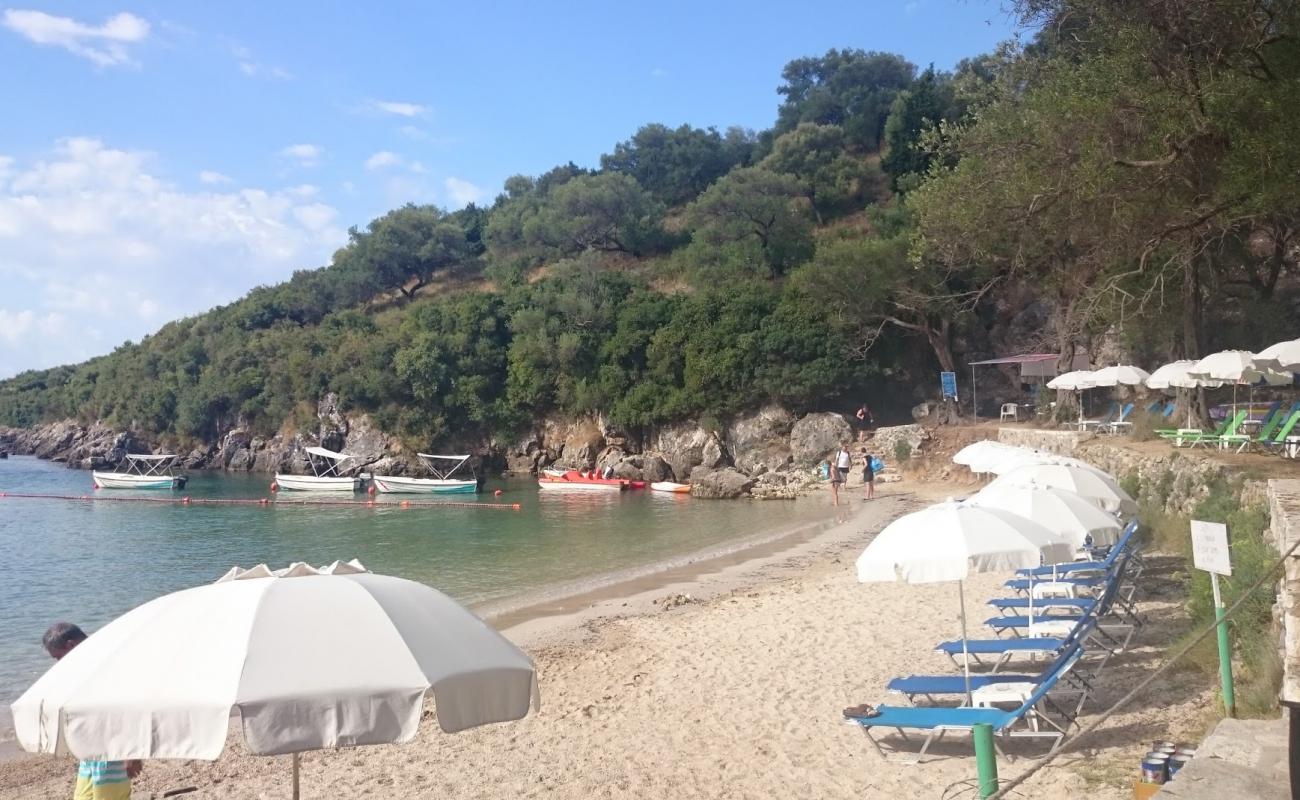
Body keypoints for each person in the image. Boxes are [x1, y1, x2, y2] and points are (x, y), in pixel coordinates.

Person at [43, 623, 141, 800]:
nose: (58, 663)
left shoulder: (109, 660)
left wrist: (131, 753)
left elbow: (129, 707)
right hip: (90, 753)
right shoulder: (85, 664)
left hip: (114, 751)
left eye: (58, 657)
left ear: (71, 645)